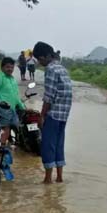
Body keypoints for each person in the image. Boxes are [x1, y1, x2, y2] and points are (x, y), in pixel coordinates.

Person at [33, 41, 73, 184]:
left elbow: (49, 96)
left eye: (41, 59)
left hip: (54, 114)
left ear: (48, 56)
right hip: (64, 115)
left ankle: (47, 178)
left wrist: (42, 116)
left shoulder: (51, 69)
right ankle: (60, 177)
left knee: (47, 145)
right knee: (59, 144)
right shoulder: (62, 68)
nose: (40, 62)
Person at [0, 57, 26, 145]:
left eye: (12, 67)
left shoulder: (12, 79)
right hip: (2, 109)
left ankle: (9, 146)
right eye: (8, 67)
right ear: (2, 67)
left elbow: (15, 96)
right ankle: (1, 150)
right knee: (5, 130)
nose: (10, 69)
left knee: (16, 127)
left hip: (12, 109)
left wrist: (22, 106)